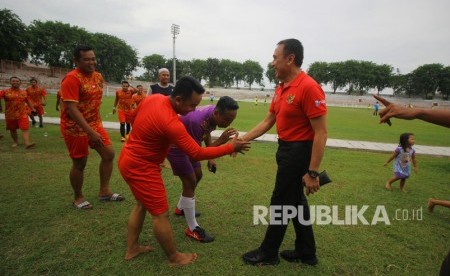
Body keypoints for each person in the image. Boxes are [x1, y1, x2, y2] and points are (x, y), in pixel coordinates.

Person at [118, 76, 250, 266]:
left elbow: (133, 117)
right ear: (179, 99)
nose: (194, 110)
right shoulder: (172, 122)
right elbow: (196, 153)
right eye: (192, 105)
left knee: (141, 205)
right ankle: (174, 257)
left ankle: (132, 248)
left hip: (129, 158)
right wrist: (231, 147)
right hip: (142, 167)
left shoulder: (154, 99)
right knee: (160, 215)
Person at [241, 39, 328, 266]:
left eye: (274, 57)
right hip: (285, 149)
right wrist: (242, 139)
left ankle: (269, 253)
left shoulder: (308, 87)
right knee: (296, 201)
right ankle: (307, 252)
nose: (272, 63)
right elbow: (269, 120)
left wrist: (313, 172)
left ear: (290, 59)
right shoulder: (281, 88)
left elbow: (321, 133)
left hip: (299, 152)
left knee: (281, 202)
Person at [374, 95, 450, 276]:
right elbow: (394, 155)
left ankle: (400, 187)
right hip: (401, 166)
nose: (413, 141)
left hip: (407, 167)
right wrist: (418, 112)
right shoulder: (400, 149)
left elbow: (414, 157)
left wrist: (418, 112)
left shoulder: (412, 150)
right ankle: (390, 183)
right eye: (412, 139)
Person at [167, 96, 239, 243]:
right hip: (176, 148)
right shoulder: (196, 122)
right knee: (190, 181)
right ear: (217, 113)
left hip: (188, 144)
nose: (228, 124)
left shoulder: (213, 114)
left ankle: (180, 208)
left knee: (198, 175)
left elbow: (207, 133)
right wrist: (222, 142)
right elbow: (196, 153)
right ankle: (192, 228)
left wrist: (211, 158)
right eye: (227, 120)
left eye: (231, 121)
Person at [60, 45, 124, 210]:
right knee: (80, 162)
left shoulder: (98, 77)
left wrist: (95, 127)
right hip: (75, 127)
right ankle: (78, 197)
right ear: (76, 61)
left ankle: (104, 191)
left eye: (93, 58)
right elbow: (71, 109)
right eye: (86, 59)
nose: (91, 62)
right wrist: (90, 132)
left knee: (109, 154)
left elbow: (93, 103)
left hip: (94, 125)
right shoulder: (72, 78)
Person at [0, 76, 36, 149]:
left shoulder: (24, 92)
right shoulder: (5, 91)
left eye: (17, 81)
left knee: (25, 128)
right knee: (12, 129)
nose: (15, 82)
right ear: (10, 82)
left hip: (22, 113)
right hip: (10, 114)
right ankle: (15, 142)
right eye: (13, 81)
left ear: (20, 83)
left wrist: (33, 109)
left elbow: (28, 100)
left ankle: (27, 143)